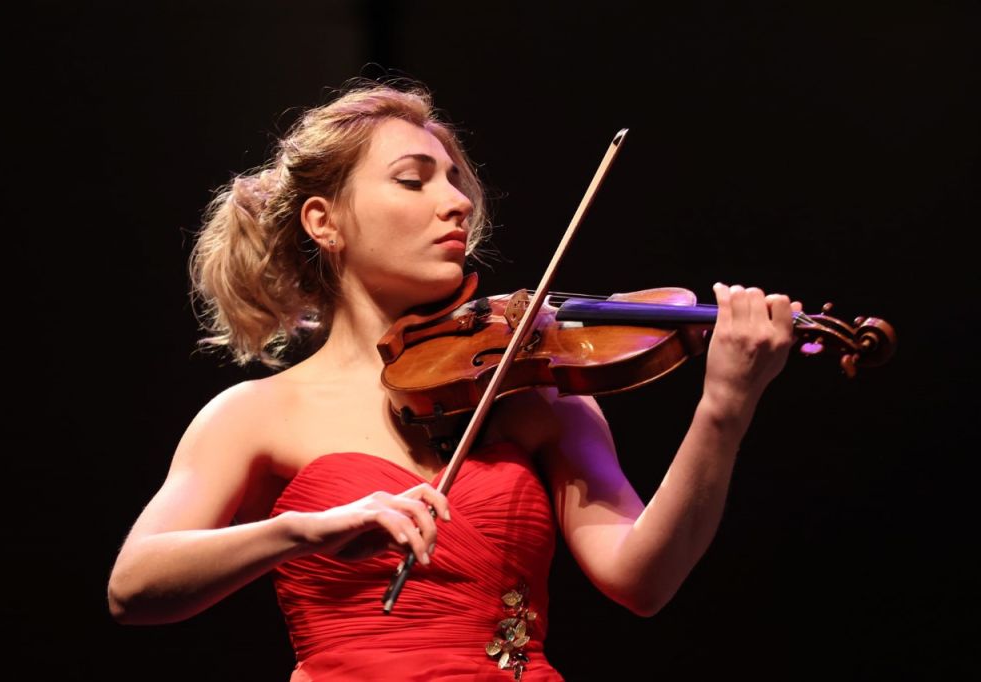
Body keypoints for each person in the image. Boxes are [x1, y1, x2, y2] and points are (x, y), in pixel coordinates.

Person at [107, 78, 802, 681]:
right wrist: (307, 530)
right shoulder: (255, 413)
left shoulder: (533, 392)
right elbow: (134, 586)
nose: (458, 203)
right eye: (414, 180)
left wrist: (724, 408)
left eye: (454, 180)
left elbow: (642, 580)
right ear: (325, 221)